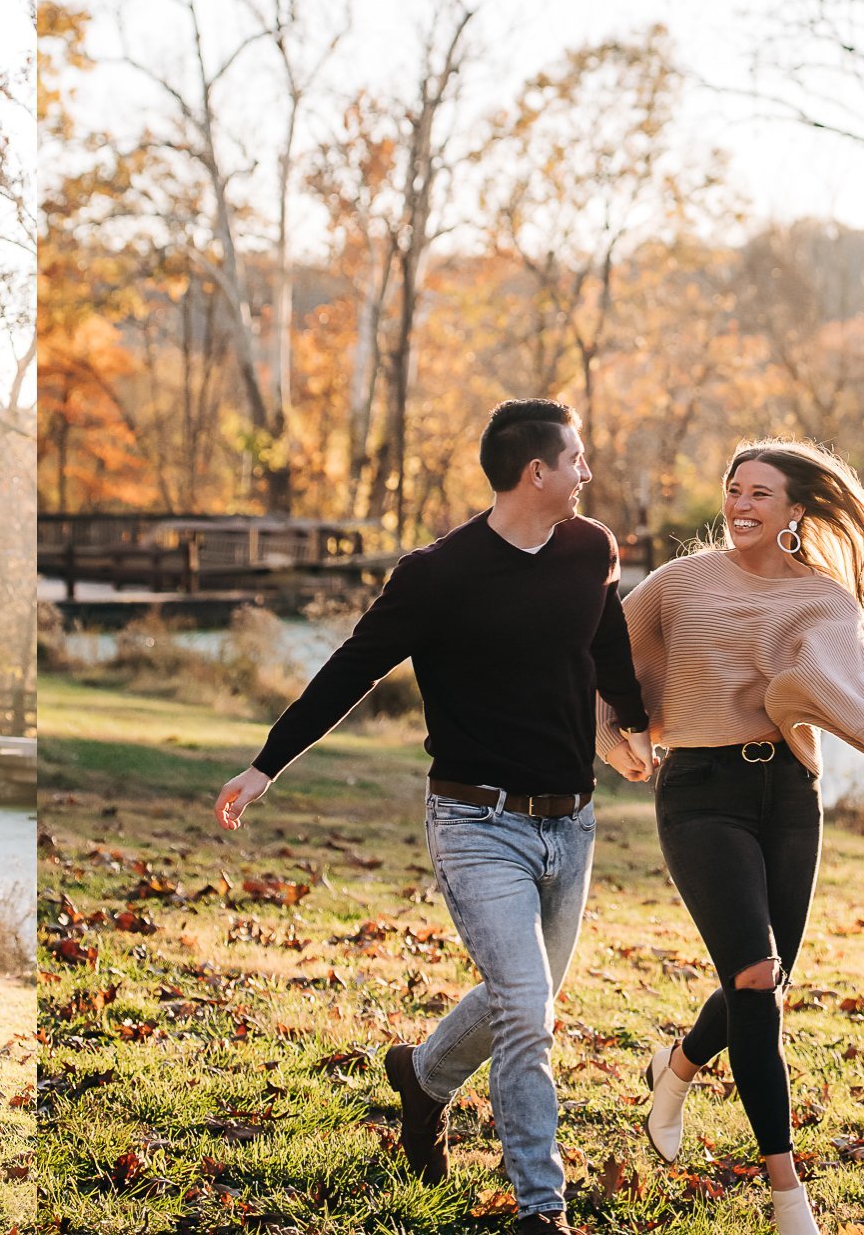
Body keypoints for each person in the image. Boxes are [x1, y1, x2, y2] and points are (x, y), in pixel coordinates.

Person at [215, 400, 650, 1235]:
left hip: (573, 823)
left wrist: (634, 731)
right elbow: (353, 669)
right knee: (528, 1010)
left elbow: (608, 647)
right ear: (537, 472)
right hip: (476, 822)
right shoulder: (437, 575)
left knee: (522, 1000)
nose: (587, 474)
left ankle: (421, 1079)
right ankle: (540, 1208)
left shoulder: (591, 548)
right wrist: (268, 763)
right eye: (578, 460)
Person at [617, 444, 864, 1235]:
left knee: (763, 983)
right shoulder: (679, 584)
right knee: (758, 977)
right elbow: (604, 659)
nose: (741, 504)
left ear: (796, 511)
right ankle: (786, 1192)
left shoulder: (824, 602)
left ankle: (678, 1065)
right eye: (734, 489)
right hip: (699, 793)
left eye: (760, 493)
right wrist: (614, 737)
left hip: (790, 797)